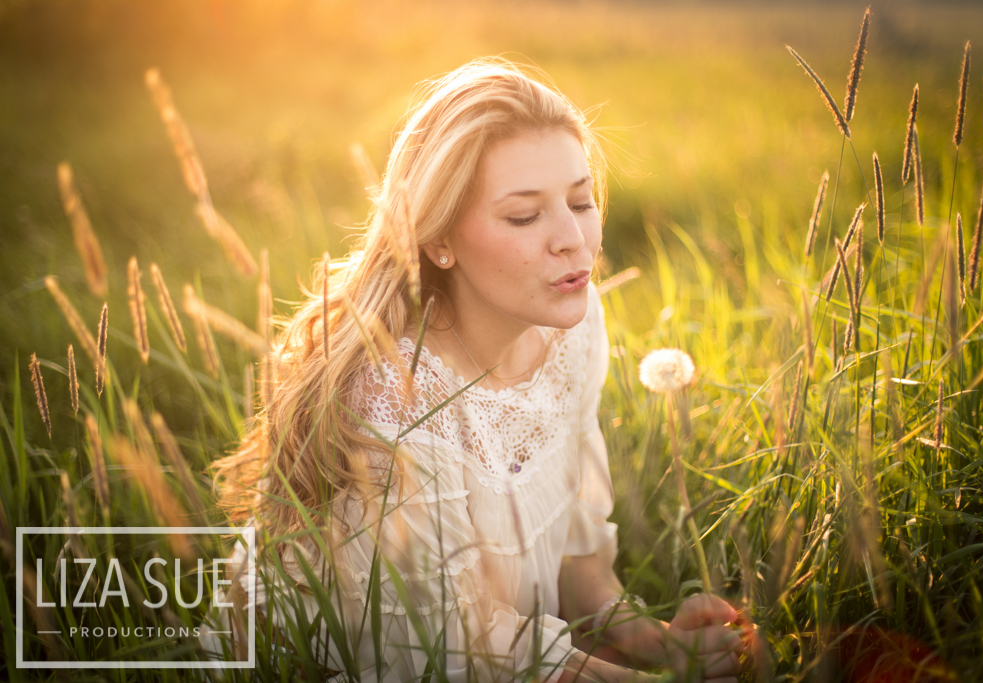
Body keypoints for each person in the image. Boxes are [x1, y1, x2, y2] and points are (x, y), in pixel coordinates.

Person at [212, 57, 743, 682]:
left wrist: (662, 647)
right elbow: (453, 654)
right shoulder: (395, 398)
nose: (573, 238)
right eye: (525, 216)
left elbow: (582, 569)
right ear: (439, 239)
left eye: (581, 201)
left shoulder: (570, 324)